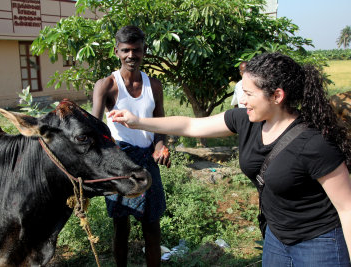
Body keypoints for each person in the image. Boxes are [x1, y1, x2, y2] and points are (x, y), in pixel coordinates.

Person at [109, 52, 351, 266]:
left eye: (248, 93)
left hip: (319, 243)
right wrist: (137, 121)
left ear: (277, 96)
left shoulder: (314, 143)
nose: (241, 99)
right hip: (276, 239)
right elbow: (191, 125)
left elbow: (347, 207)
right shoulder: (246, 120)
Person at [92, 25, 171, 267]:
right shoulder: (106, 85)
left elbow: (160, 125)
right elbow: (95, 127)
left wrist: (161, 146)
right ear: (116, 51)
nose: (131, 56)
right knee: (121, 226)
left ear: (144, 51)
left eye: (136, 50)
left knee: (152, 227)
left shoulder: (154, 86)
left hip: (147, 162)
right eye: (125, 50)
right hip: (119, 164)